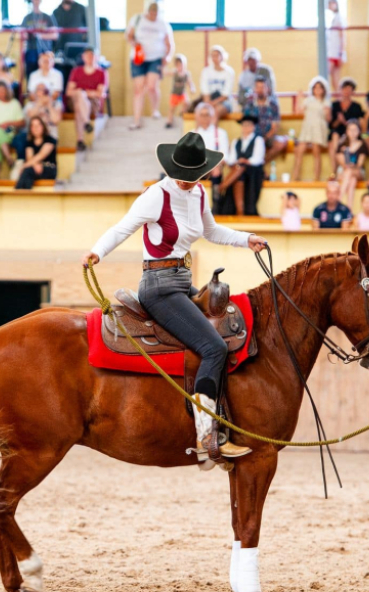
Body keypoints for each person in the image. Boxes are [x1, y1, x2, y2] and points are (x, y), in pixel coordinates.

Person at [80, 132, 268, 462]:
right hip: (159, 287)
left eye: (192, 177)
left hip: (183, 284)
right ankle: (208, 439)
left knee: (223, 335)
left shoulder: (198, 195)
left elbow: (212, 232)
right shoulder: (156, 196)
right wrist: (97, 252)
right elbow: (123, 227)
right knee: (213, 347)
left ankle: (220, 423)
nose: (185, 182)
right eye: (181, 176)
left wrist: (246, 238)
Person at [126, 2, 173, 130]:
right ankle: (136, 120)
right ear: (147, 11)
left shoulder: (163, 24)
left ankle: (155, 110)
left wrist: (167, 57)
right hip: (138, 58)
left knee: (152, 86)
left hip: (156, 58)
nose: (153, 16)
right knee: (139, 88)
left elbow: (169, 44)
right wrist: (134, 43)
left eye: (156, 14)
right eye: (151, 13)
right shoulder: (137, 19)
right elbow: (129, 36)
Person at [219, 115, 266, 216]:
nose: (245, 127)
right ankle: (240, 210)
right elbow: (231, 159)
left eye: (248, 125)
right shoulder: (236, 141)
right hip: (239, 169)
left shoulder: (258, 140)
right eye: (244, 125)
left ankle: (223, 185)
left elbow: (257, 159)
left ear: (253, 127)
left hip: (253, 171)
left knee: (241, 168)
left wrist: (245, 161)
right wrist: (238, 161)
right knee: (240, 172)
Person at [66, 46, 107, 151]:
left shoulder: (101, 73)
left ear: (96, 57)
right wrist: (84, 93)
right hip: (77, 100)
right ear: (83, 57)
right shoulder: (76, 71)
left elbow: (100, 93)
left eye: (92, 56)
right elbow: (69, 91)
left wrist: (84, 93)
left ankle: (80, 140)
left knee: (79, 104)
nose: (89, 58)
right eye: (87, 56)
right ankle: (86, 123)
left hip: (92, 103)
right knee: (80, 97)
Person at [292, 77, 331, 182]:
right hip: (307, 128)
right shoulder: (308, 100)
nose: (317, 90)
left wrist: (327, 112)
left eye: (320, 88)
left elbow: (328, 118)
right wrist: (299, 98)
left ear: (324, 90)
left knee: (316, 152)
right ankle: (294, 177)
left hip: (318, 128)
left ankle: (316, 178)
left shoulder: (326, 102)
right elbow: (298, 112)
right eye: (315, 88)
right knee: (299, 151)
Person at [243, 77, 286, 164]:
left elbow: (274, 128)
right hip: (253, 136)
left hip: (268, 136)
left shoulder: (273, 105)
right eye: (258, 87)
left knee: (280, 143)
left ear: (267, 89)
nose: (260, 90)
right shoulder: (249, 104)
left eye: (262, 87)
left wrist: (264, 138)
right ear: (254, 89)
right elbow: (246, 124)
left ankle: (261, 164)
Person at [192, 102, 229, 199]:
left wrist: (214, 166)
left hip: (213, 167)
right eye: (202, 115)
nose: (204, 118)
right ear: (198, 117)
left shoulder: (220, 133)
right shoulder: (192, 134)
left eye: (207, 115)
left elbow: (224, 155)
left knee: (216, 171)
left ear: (212, 117)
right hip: (196, 167)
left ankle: (216, 202)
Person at [328, 79, 364, 174]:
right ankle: (334, 170)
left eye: (349, 89)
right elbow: (332, 125)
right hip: (337, 131)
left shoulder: (357, 106)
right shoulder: (334, 105)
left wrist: (344, 122)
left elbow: (357, 124)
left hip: (352, 132)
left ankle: (346, 167)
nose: (347, 92)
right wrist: (338, 121)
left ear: (353, 92)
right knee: (333, 139)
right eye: (345, 89)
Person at [16, 116, 58, 190]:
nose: (36, 128)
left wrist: (23, 166)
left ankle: (19, 193)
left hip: (49, 168)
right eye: (33, 126)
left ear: (43, 126)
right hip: (34, 168)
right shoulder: (29, 143)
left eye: (38, 125)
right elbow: (30, 158)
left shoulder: (50, 140)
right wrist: (35, 165)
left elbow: (41, 155)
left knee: (27, 170)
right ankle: (22, 193)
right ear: (31, 128)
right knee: (28, 171)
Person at [197, 45, 236, 119]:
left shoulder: (229, 72)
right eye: (213, 55)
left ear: (222, 56)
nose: (215, 58)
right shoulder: (206, 71)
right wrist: (208, 104)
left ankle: (213, 130)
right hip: (209, 100)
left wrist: (213, 104)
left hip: (224, 102)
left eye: (217, 55)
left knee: (215, 112)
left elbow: (225, 95)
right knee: (201, 111)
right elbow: (205, 92)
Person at [20, 0, 58, 77]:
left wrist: (40, 35)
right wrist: (28, 35)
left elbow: (55, 35)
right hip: (31, 51)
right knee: (31, 72)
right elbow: (22, 35)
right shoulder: (27, 18)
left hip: (46, 51)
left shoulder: (48, 17)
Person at [337, 120, 368, 208]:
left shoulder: (362, 145)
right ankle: (349, 209)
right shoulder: (341, 145)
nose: (353, 133)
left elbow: (360, 164)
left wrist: (352, 166)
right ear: (347, 131)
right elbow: (342, 163)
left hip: (357, 172)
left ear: (359, 131)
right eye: (350, 130)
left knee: (350, 172)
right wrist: (347, 166)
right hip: (343, 171)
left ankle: (339, 200)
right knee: (352, 180)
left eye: (355, 130)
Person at [166, 55, 196, 129]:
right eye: (177, 64)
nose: (179, 66)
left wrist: (192, 88)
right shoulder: (175, 72)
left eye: (181, 64)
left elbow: (190, 82)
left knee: (187, 103)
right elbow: (167, 73)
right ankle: (169, 121)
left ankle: (182, 112)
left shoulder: (186, 73)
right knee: (172, 108)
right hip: (175, 93)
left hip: (182, 93)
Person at [326, 0, 347, 92]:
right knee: (335, 81)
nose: (329, 5)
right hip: (333, 53)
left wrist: (341, 53)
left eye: (331, 3)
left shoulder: (339, 18)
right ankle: (338, 99)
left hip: (335, 53)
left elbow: (342, 36)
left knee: (327, 76)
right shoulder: (334, 18)